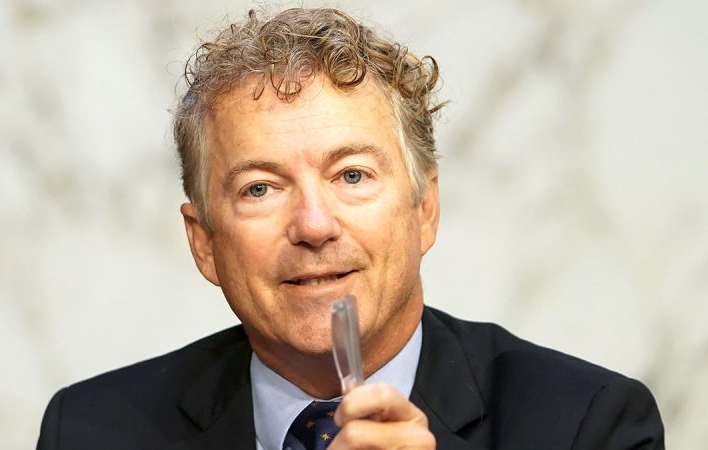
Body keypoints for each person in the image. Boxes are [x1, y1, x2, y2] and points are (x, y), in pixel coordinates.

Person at [36, 7, 665, 450]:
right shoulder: (91, 431)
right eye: (261, 188)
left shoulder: (586, 426)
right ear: (203, 243)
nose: (313, 225)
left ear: (425, 209)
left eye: (353, 175)